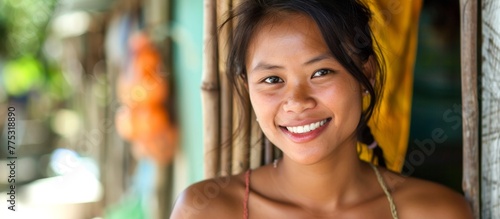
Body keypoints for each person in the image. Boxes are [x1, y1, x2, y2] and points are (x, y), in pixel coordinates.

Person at [170, 0, 473, 218]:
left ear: (366, 75)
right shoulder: (208, 210)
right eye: (272, 79)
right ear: (248, 86)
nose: (297, 101)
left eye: (321, 73)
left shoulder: (435, 212)